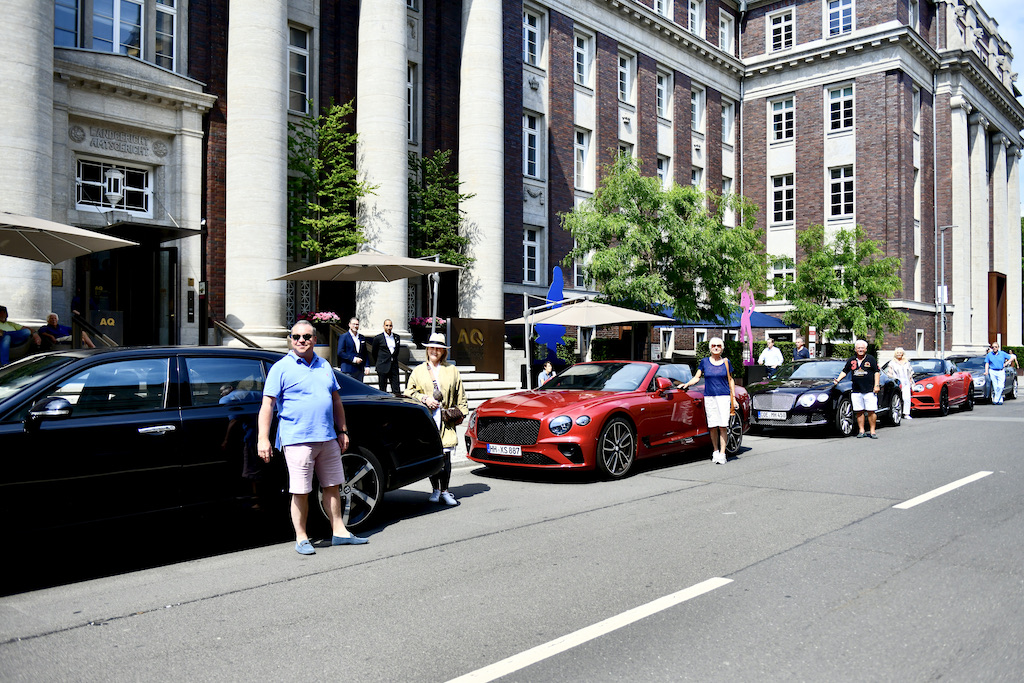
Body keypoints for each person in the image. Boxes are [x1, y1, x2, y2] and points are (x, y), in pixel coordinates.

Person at [258, 320, 367, 555]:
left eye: (307, 337)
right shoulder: (281, 368)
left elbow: (336, 400)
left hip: (327, 437)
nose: (301, 340)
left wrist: (343, 430)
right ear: (290, 339)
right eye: (296, 336)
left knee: (332, 486)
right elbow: (267, 405)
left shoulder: (324, 365)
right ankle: (301, 537)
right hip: (297, 439)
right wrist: (263, 438)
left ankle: (339, 532)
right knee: (301, 490)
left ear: (315, 340)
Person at [404, 332, 469, 506]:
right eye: (432, 348)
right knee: (433, 455)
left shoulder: (452, 370)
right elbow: (408, 392)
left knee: (446, 456)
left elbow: (461, 395)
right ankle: (435, 489)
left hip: (446, 419)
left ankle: (445, 491)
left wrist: (461, 413)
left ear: (443, 352)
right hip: (427, 419)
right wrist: (425, 398)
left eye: (438, 348)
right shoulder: (418, 371)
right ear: (427, 350)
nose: (435, 351)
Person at [682, 337, 737, 465]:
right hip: (709, 397)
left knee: (723, 425)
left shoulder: (726, 362)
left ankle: (723, 453)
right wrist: (686, 384)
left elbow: (731, 380)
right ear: (710, 348)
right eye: (713, 345)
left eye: (718, 345)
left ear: (722, 348)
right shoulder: (704, 362)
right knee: (712, 425)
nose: (716, 347)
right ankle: (715, 451)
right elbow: (697, 377)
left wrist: (733, 397)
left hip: (723, 397)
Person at [833, 339, 881, 439]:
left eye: (862, 348)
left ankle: (872, 431)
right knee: (859, 411)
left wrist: (876, 385)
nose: (860, 350)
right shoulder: (852, 360)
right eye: (858, 348)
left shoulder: (871, 359)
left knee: (871, 411)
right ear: (855, 349)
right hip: (856, 390)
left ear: (866, 349)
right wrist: (837, 380)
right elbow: (845, 371)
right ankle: (861, 430)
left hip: (869, 390)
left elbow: (877, 372)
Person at [371, 318, 402, 394]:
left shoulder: (396, 337)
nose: (388, 327)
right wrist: (379, 362)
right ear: (383, 326)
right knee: (382, 389)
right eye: (387, 325)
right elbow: (374, 352)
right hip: (382, 366)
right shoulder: (378, 338)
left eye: (390, 326)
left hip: (393, 366)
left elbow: (397, 351)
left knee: (396, 388)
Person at [885, 346, 913, 420]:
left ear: (903, 354)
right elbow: (889, 373)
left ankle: (906, 414)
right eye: (897, 353)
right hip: (897, 382)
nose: (899, 354)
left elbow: (910, 373)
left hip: (906, 382)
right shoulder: (892, 363)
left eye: (900, 353)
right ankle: (897, 413)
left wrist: (911, 381)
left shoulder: (907, 362)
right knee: (897, 398)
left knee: (906, 398)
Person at [337, 316, 367, 382]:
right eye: (353, 324)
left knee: (359, 390)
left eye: (357, 324)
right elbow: (340, 352)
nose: (355, 326)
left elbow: (365, 353)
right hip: (348, 369)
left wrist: (367, 366)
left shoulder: (362, 337)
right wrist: (353, 359)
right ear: (349, 325)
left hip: (359, 370)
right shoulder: (344, 337)